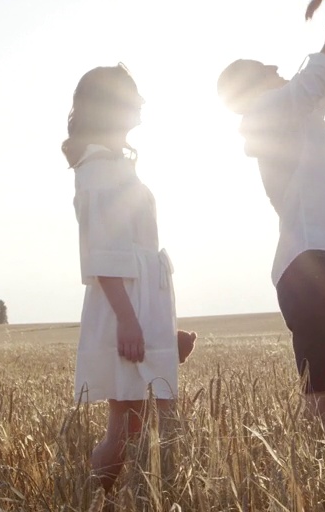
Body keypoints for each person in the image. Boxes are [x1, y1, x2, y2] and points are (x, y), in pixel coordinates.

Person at [215, 0, 325, 421]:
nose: (281, 71)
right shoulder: (271, 111)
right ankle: (321, 486)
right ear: (252, 90)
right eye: (270, 70)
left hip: (319, 262)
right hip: (312, 267)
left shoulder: (291, 116)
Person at [62, 65, 196, 495]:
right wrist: (130, 321)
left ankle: (141, 500)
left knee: (152, 422)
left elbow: (131, 252)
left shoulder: (112, 164)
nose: (140, 103)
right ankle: (88, 501)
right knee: (127, 427)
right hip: (128, 307)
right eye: (131, 97)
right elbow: (102, 255)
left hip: (141, 307)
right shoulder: (99, 167)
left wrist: (159, 327)